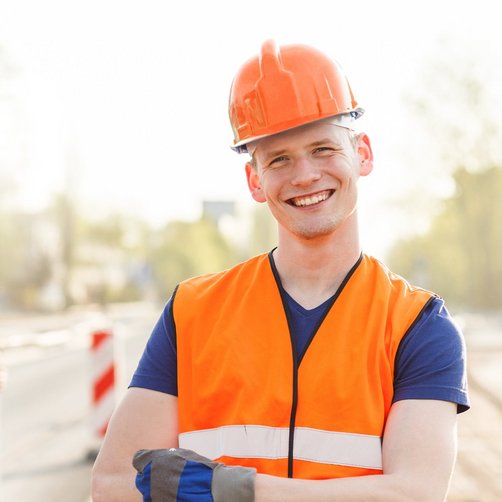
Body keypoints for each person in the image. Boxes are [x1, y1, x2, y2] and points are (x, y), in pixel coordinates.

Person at [91, 40, 470, 501]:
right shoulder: (192, 313)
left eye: (323, 148)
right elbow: (113, 484)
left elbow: (416, 493)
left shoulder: (417, 325)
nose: (305, 175)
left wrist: (233, 491)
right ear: (255, 180)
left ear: (363, 154)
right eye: (279, 159)